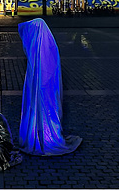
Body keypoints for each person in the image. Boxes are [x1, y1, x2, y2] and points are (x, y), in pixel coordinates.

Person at [17, 18, 81, 155]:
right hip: (47, 90)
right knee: (45, 112)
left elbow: (45, 74)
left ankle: (40, 136)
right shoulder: (46, 48)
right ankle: (43, 135)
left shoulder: (41, 51)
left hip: (44, 90)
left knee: (41, 110)